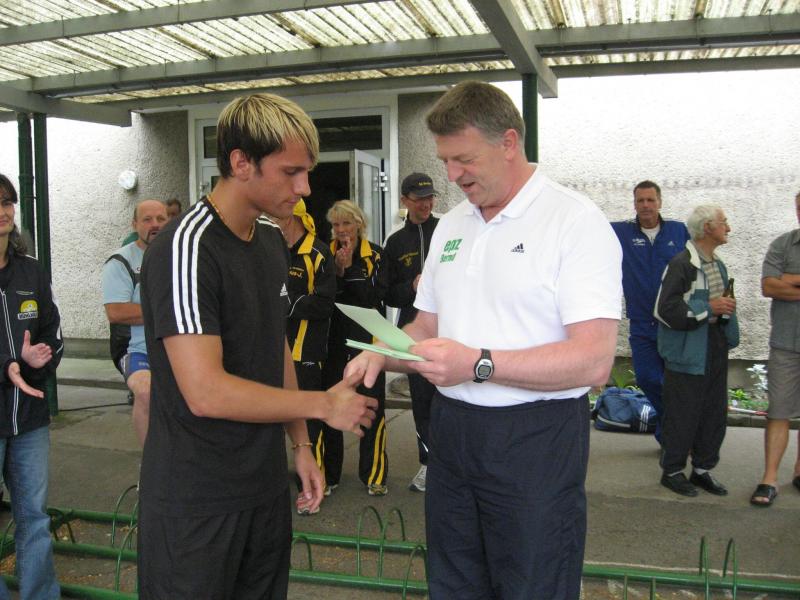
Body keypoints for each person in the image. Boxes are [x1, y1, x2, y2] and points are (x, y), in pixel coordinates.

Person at [345, 81, 622, 599]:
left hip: (536, 437)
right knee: (453, 581)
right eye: (445, 161)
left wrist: (478, 364)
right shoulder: (452, 227)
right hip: (453, 430)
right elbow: (426, 328)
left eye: (464, 159)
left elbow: (593, 360)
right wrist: (381, 352)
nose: (452, 175)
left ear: (509, 143)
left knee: (532, 584)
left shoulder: (573, 221)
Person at [137, 93, 377, 600]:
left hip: (265, 489)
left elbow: (276, 346)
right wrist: (322, 404)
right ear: (241, 162)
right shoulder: (186, 248)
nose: (304, 188)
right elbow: (205, 392)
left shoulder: (269, 239)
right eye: (291, 172)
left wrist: (300, 444)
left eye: (306, 172)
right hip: (198, 502)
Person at [0, 174, 63, 600]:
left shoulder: (31, 271)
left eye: (7, 202)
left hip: (30, 419)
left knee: (35, 518)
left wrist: (39, 361)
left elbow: (52, 332)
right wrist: (8, 365)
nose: (2, 211)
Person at [655, 205, 738, 497]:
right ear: (707, 228)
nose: (728, 227)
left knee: (713, 411)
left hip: (714, 344)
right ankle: (672, 471)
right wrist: (709, 308)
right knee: (683, 413)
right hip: (688, 349)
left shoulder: (717, 263)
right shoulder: (682, 264)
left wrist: (723, 313)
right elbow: (664, 310)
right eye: (723, 222)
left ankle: (702, 470)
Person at [272, 200, 337, 514]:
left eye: (275, 217)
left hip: (306, 350)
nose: (270, 222)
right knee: (272, 416)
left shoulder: (318, 252)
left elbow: (324, 304)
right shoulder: (271, 249)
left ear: (292, 217)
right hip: (273, 349)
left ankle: (312, 489)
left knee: (309, 423)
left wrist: (285, 303)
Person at [611, 181, 690, 442]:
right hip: (642, 321)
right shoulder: (621, 232)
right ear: (634, 204)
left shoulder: (679, 231)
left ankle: (671, 436)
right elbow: (586, 231)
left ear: (660, 202)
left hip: (674, 322)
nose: (645, 205)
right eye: (640, 200)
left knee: (675, 383)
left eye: (650, 200)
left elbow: (696, 266)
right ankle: (674, 429)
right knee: (647, 378)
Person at [322, 199, 389, 496]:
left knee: (371, 406)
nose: (340, 230)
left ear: (359, 224)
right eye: (336, 224)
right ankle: (330, 475)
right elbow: (326, 299)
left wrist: (349, 270)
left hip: (368, 339)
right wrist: (337, 271)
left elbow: (373, 298)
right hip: (334, 340)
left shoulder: (376, 254)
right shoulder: (325, 252)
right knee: (332, 403)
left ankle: (374, 475)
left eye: (346, 223)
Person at [384, 172, 440, 492]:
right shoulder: (395, 242)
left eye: (430, 197)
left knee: (453, 400)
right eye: (419, 199)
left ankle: (455, 463)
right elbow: (388, 295)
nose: (426, 204)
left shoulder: (446, 230)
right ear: (404, 200)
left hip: (449, 330)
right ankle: (428, 464)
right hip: (412, 333)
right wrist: (412, 286)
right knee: (422, 401)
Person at [102, 199, 167, 446]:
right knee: (146, 392)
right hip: (136, 349)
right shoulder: (121, 262)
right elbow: (116, 312)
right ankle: (151, 461)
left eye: (161, 219)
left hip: (178, 347)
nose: (155, 225)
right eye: (147, 220)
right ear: (134, 224)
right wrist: (168, 314)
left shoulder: (181, 255)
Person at [750, 191, 800, 507]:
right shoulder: (782, 244)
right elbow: (768, 286)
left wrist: (791, 280)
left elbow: (780, 284)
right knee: (779, 410)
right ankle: (769, 479)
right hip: (786, 344)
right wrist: (781, 282)